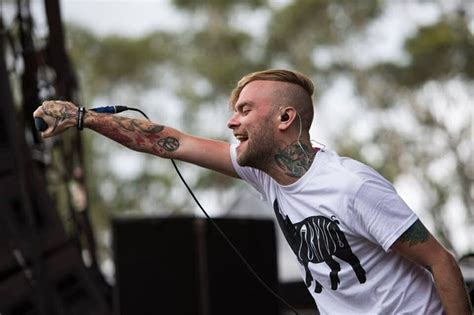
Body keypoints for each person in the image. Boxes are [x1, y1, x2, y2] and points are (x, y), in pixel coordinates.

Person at [33, 69, 471, 314]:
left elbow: (442, 263)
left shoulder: (352, 187)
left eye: (244, 110)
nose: (231, 122)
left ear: (285, 119)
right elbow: (173, 141)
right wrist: (83, 117)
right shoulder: (264, 173)